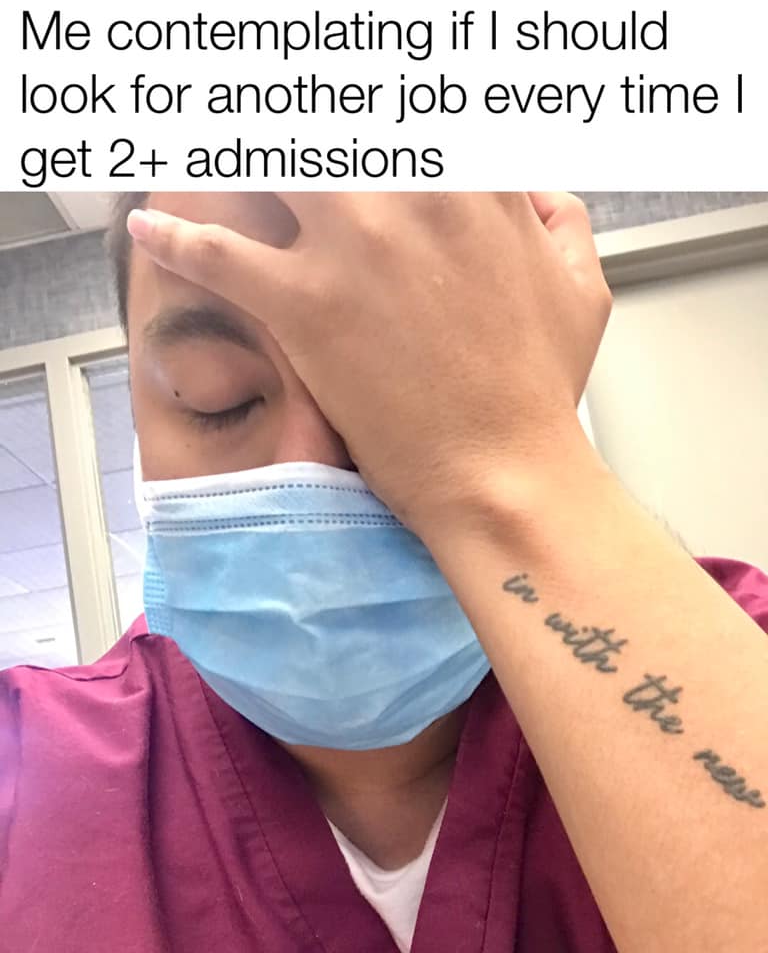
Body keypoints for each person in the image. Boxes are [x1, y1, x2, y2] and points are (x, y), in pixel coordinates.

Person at [1, 192, 766, 953]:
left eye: (401, 384)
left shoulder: (740, 656)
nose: (312, 469)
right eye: (215, 398)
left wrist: (523, 476)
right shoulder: (26, 774)